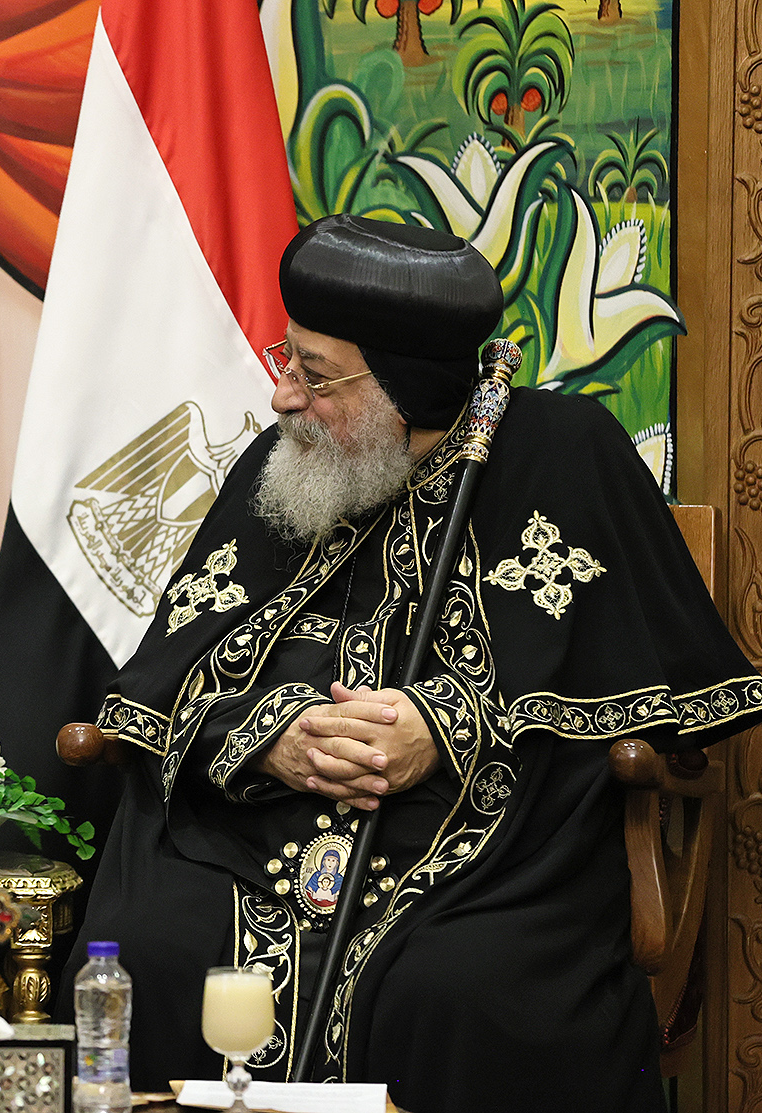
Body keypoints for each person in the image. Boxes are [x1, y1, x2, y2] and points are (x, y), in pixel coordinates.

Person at [59, 215, 762, 1113]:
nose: (281, 398)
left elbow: (656, 684)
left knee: (463, 993)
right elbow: (173, 669)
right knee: (147, 946)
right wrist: (271, 735)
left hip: (487, 854)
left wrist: (451, 724)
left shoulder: (567, 452)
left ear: (405, 387)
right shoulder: (284, 467)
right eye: (288, 359)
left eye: (313, 374)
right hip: (253, 834)